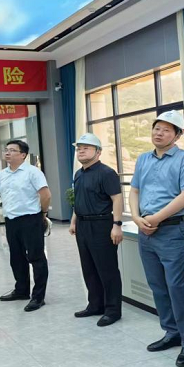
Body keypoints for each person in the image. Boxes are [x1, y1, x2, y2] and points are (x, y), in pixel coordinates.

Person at [129, 110, 184, 367]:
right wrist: (136, 218)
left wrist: (156, 219)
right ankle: (172, 332)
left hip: (172, 231)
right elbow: (135, 190)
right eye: (156, 128)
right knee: (157, 286)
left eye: (166, 130)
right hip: (145, 231)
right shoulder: (143, 158)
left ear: (177, 135)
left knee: (176, 288)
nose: (159, 133)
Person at [69, 133, 124, 327]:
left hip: (102, 224)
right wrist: (74, 221)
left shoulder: (107, 173)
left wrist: (117, 225)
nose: (81, 151)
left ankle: (113, 310)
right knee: (89, 268)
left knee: (107, 269)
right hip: (83, 225)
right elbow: (78, 199)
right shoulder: (78, 174)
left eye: (86, 148)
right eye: (79, 148)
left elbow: (117, 199)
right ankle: (95, 305)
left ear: (98, 152)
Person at [0, 140, 52, 312]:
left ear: (23, 155)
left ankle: (38, 297)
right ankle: (21, 290)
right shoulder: (2, 174)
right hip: (11, 220)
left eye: (12, 150)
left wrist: (42, 214)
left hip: (30, 219)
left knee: (36, 257)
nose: (8, 153)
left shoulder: (33, 172)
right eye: (7, 150)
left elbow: (46, 195)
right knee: (16, 257)